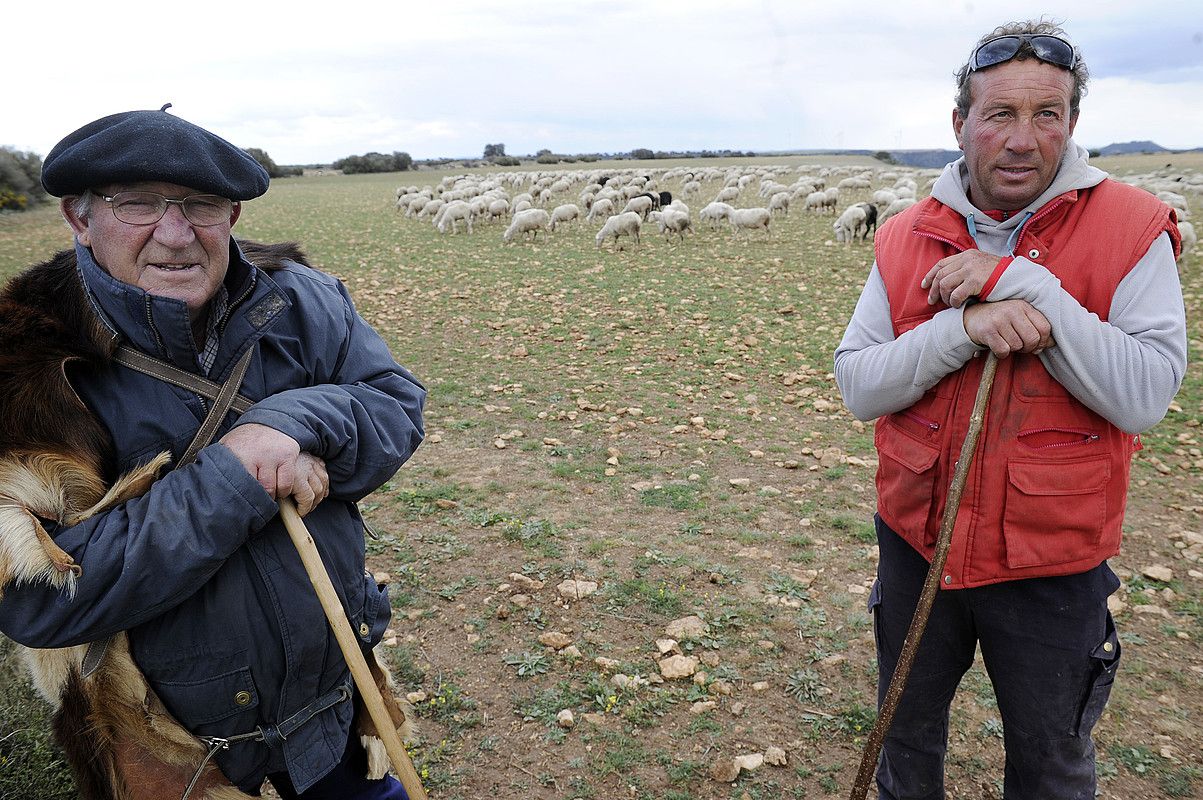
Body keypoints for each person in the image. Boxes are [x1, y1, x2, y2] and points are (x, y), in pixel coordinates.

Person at [0, 107, 425, 798]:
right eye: (136, 204)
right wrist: (238, 473)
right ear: (79, 220)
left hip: (331, 693)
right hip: (169, 745)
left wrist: (291, 420)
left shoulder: (300, 299)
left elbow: (394, 404)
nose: (175, 234)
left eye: (200, 205)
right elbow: (37, 601)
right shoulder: (25, 363)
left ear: (230, 214)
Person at [834, 20, 1186, 800]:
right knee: (905, 738)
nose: (1022, 139)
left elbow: (1144, 396)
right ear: (959, 124)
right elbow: (859, 385)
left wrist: (1024, 286)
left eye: (1047, 114)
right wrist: (959, 328)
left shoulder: (1131, 230)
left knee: (1050, 764)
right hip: (914, 540)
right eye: (998, 114)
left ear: (1071, 123)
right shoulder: (904, 235)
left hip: (1050, 561)